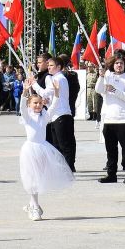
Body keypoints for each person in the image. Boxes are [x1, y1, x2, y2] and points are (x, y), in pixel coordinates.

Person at [20, 69, 74, 220]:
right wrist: (25, 92)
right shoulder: (27, 117)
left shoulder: (45, 117)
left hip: (43, 148)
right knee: (31, 178)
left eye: (39, 103)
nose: (37, 105)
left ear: (43, 103)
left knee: (39, 178)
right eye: (34, 103)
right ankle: (35, 207)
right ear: (30, 105)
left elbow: (55, 105)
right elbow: (22, 108)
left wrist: (56, 92)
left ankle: (32, 204)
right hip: (30, 149)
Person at [95, 54, 125, 184]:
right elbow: (99, 89)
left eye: (121, 63)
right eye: (116, 63)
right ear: (112, 65)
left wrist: (114, 90)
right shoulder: (108, 76)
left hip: (124, 119)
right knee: (111, 149)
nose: (119, 65)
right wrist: (101, 76)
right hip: (109, 119)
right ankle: (111, 174)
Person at [40, 56, 75, 171]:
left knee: (64, 145)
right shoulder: (57, 78)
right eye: (48, 65)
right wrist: (47, 101)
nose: (48, 68)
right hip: (56, 116)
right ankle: (61, 169)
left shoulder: (58, 79)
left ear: (58, 67)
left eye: (51, 66)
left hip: (61, 116)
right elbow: (55, 98)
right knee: (57, 146)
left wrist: (34, 84)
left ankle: (68, 169)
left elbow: (45, 93)